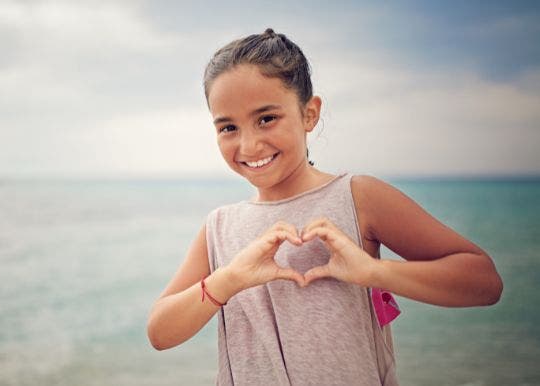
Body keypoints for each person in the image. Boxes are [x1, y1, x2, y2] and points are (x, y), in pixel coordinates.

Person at [146, 28, 503, 385]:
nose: (250, 144)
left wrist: (373, 272)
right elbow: (160, 332)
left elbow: (483, 281)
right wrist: (229, 278)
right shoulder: (219, 227)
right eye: (228, 127)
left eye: (266, 119)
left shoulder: (357, 197)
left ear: (309, 114)